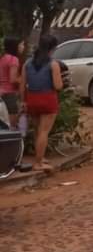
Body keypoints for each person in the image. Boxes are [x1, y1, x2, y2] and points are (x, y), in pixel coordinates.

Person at [20, 35, 64, 173]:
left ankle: (40, 157)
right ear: (52, 48)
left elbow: (22, 85)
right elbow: (58, 86)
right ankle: (38, 163)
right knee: (44, 132)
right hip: (48, 99)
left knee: (37, 130)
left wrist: (23, 101)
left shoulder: (28, 63)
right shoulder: (53, 64)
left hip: (31, 98)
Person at [1, 37, 24, 119]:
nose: (23, 47)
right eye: (21, 44)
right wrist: (24, 79)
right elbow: (13, 79)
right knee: (12, 125)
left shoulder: (3, 58)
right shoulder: (13, 59)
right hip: (9, 94)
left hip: (2, 92)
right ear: (15, 46)